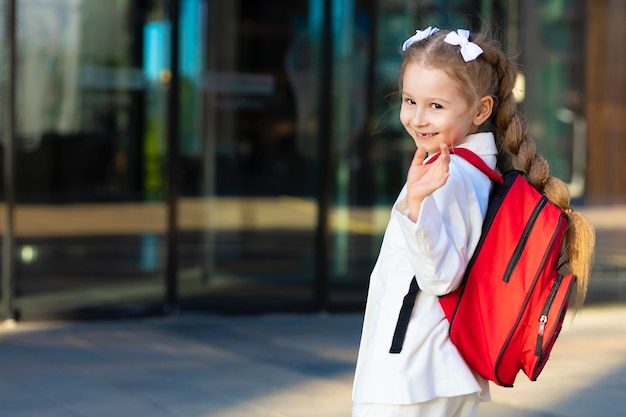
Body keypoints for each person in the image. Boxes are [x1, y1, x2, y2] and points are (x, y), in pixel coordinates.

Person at [351, 27, 595, 417]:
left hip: (414, 373)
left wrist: (416, 205)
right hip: (438, 370)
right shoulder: (474, 170)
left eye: (436, 106)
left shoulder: (446, 176)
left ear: (481, 110)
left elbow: (441, 276)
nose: (417, 118)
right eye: (410, 100)